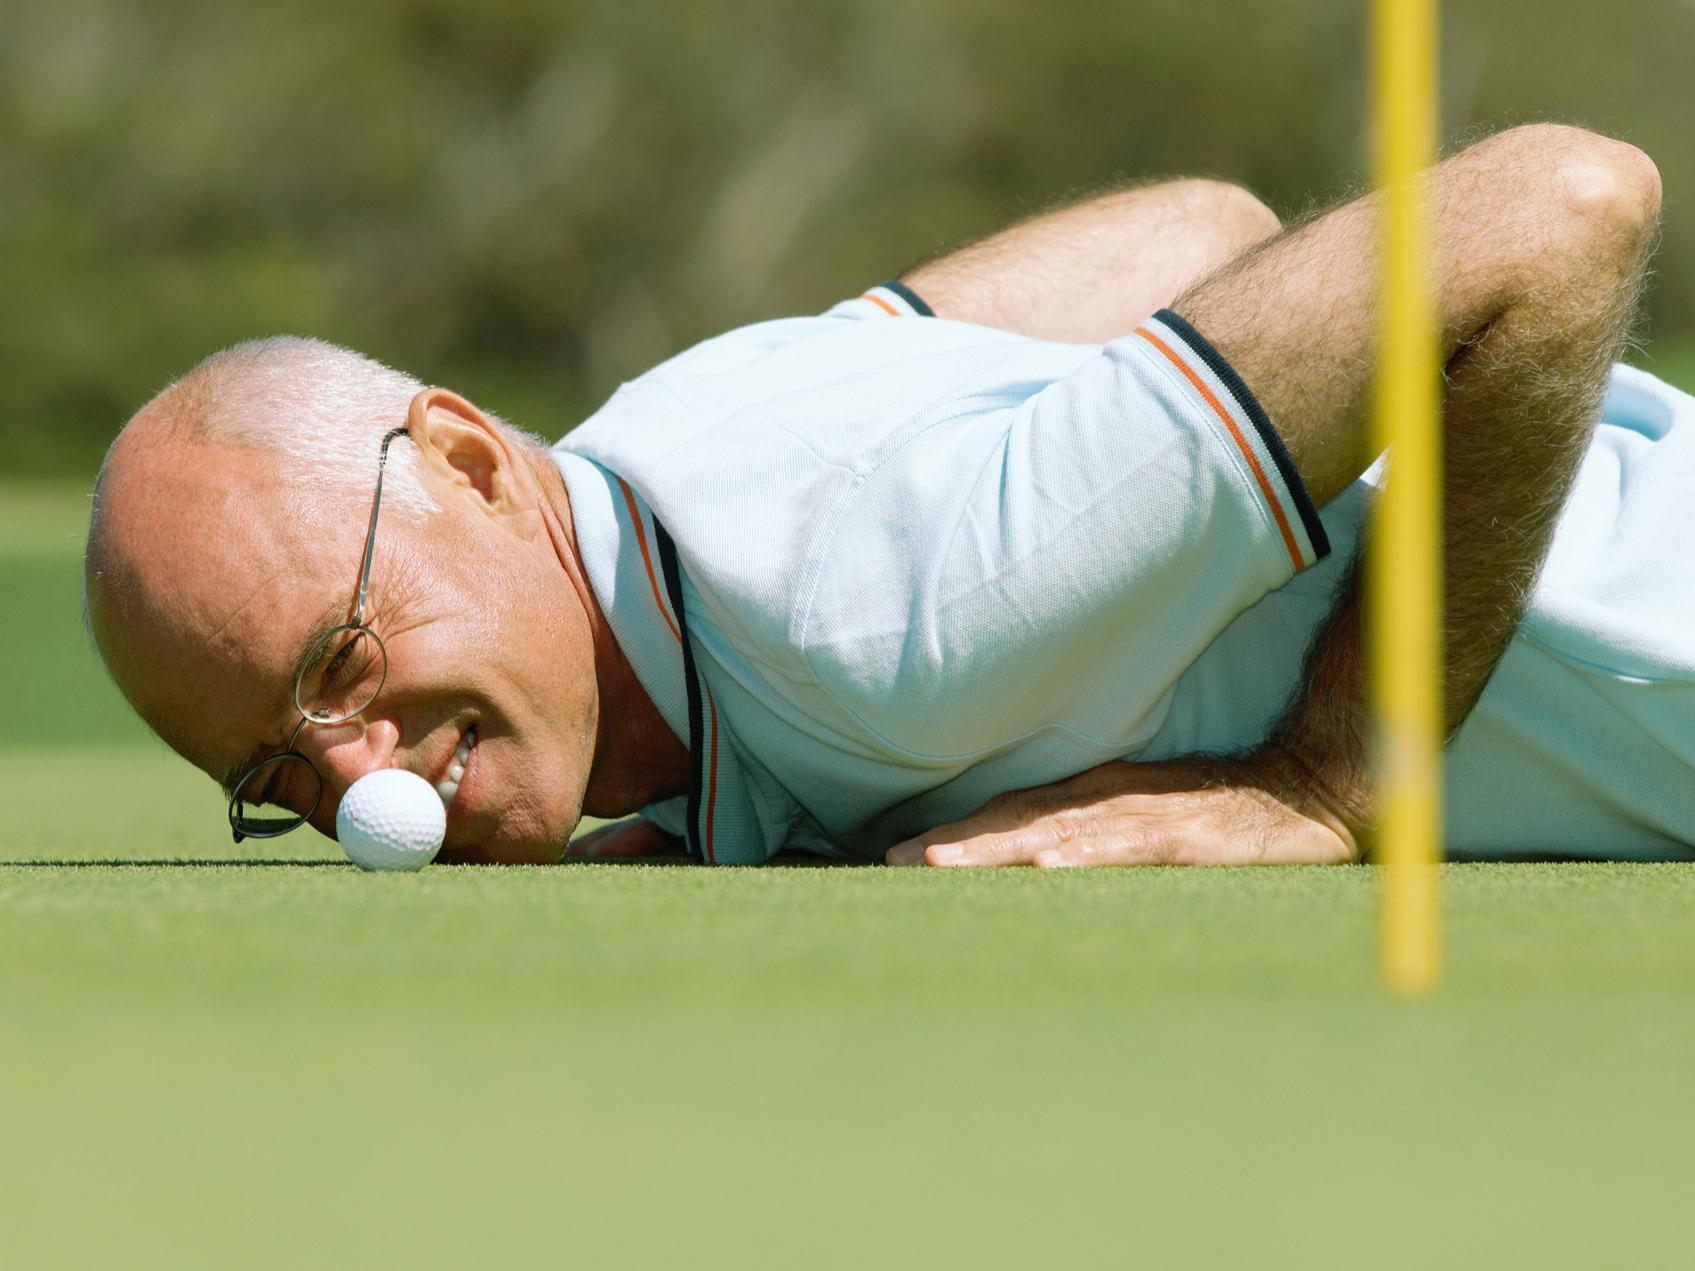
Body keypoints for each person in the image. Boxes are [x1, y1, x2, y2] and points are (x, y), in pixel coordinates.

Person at [83, 123, 1686, 868]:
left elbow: (1555, 209)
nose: (373, 788)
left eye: (340, 666)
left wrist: (1328, 779)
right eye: (282, 778)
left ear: (473, 465)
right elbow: (1195, 227)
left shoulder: (882, 610)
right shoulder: (662, 438)